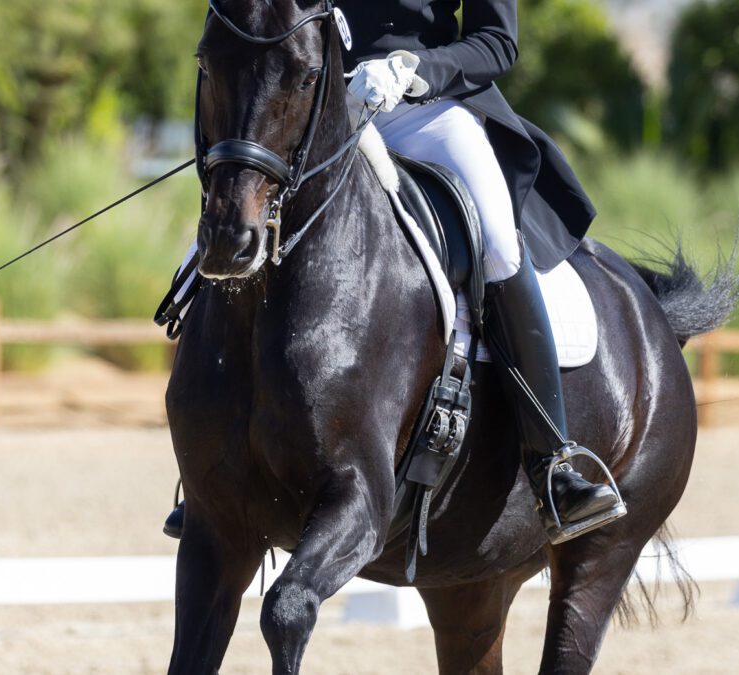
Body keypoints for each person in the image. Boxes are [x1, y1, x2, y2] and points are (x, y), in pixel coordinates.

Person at [162, 0, 624, 544]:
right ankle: (214, 468)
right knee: (218, 245)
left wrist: (414, 71)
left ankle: (552, 462)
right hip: (316, 104)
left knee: (499, 244)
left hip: (426, 111)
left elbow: (497, 43)